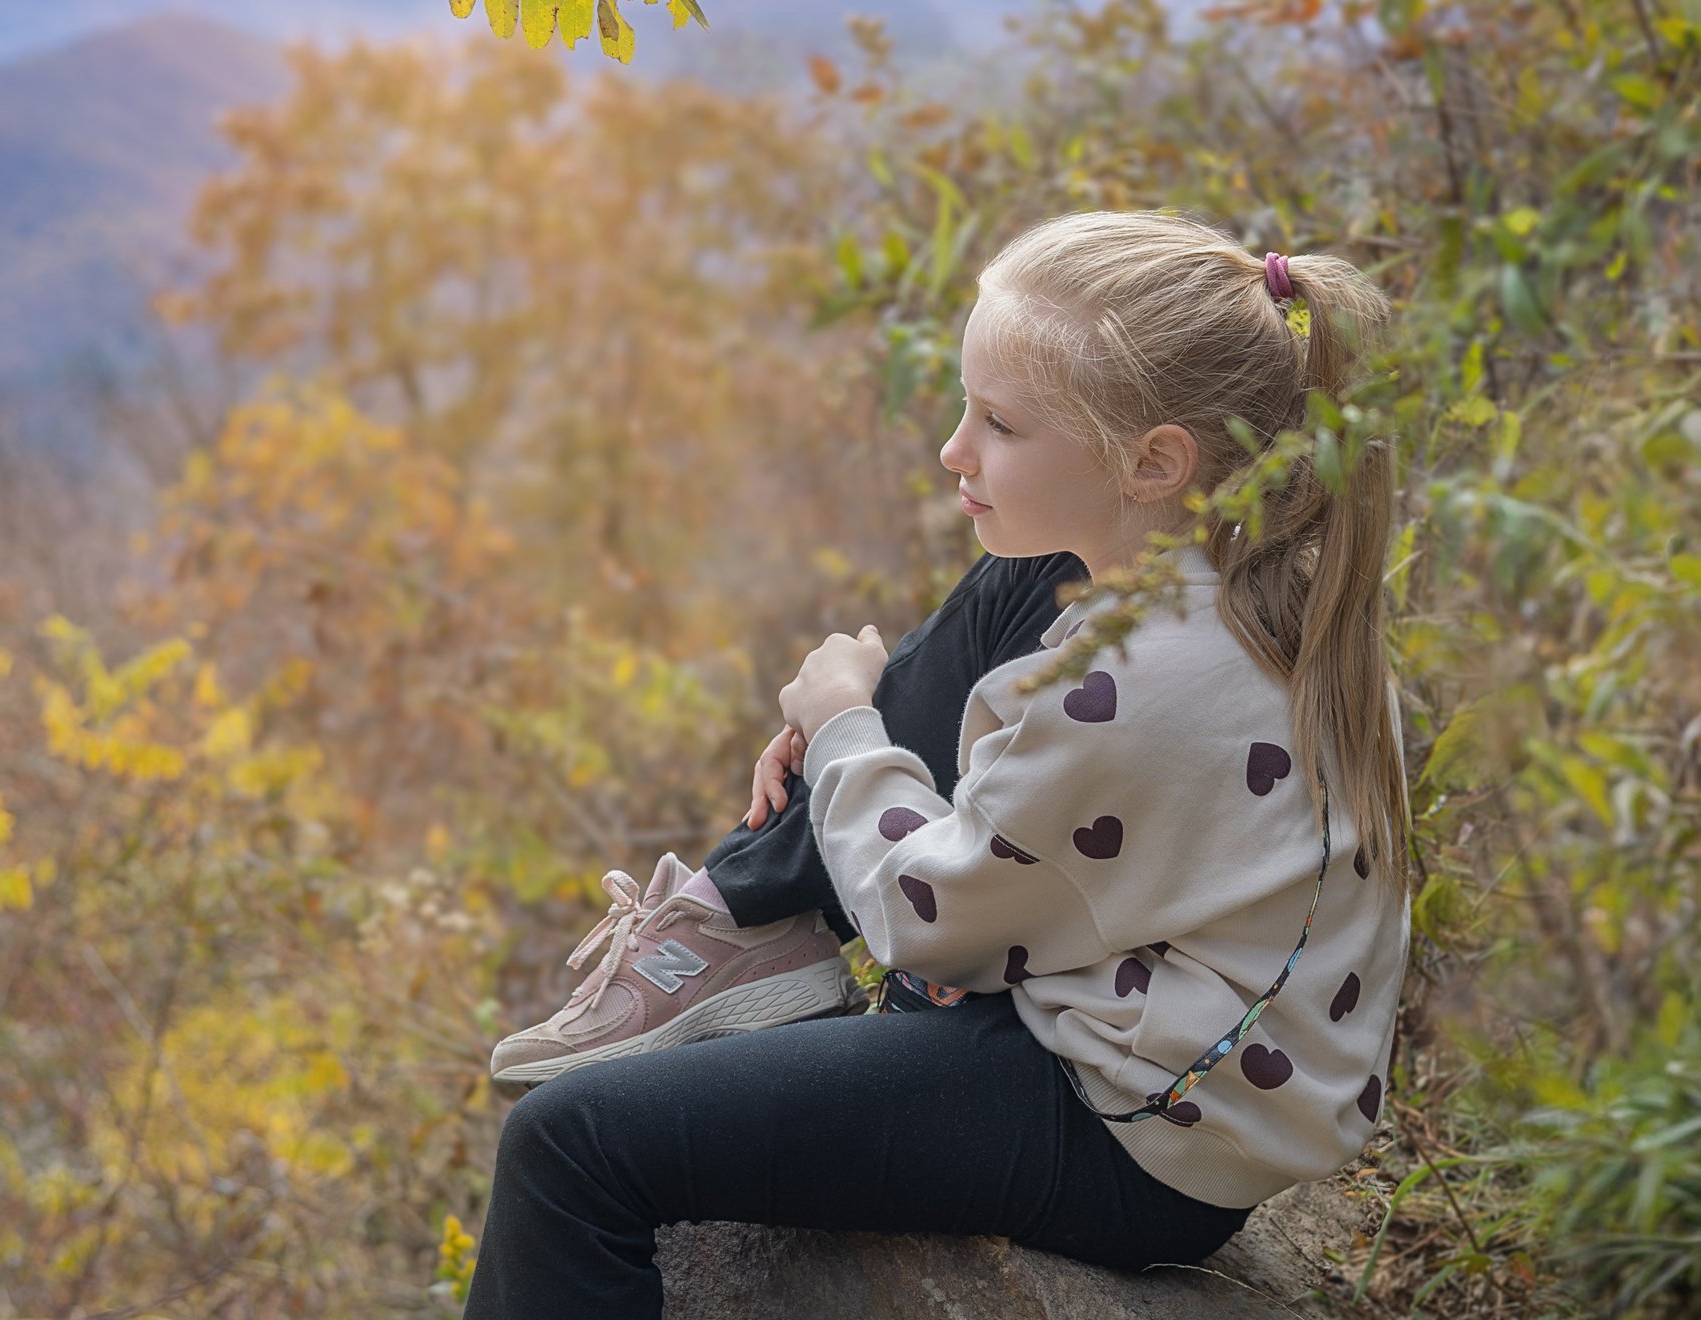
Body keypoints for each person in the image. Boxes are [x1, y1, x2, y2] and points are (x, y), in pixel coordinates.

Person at [465, 210, 1413, 1318]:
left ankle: (753, 917)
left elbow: (923, 915)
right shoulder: (1265, 575)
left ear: (1155, 462)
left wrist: (842, 733)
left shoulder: (1135, 688)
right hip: (1169, 1030)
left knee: (568, 1149)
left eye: (999, 423)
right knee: (1025, 569)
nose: (955, 450)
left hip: (1136, 1130)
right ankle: (752, 911)